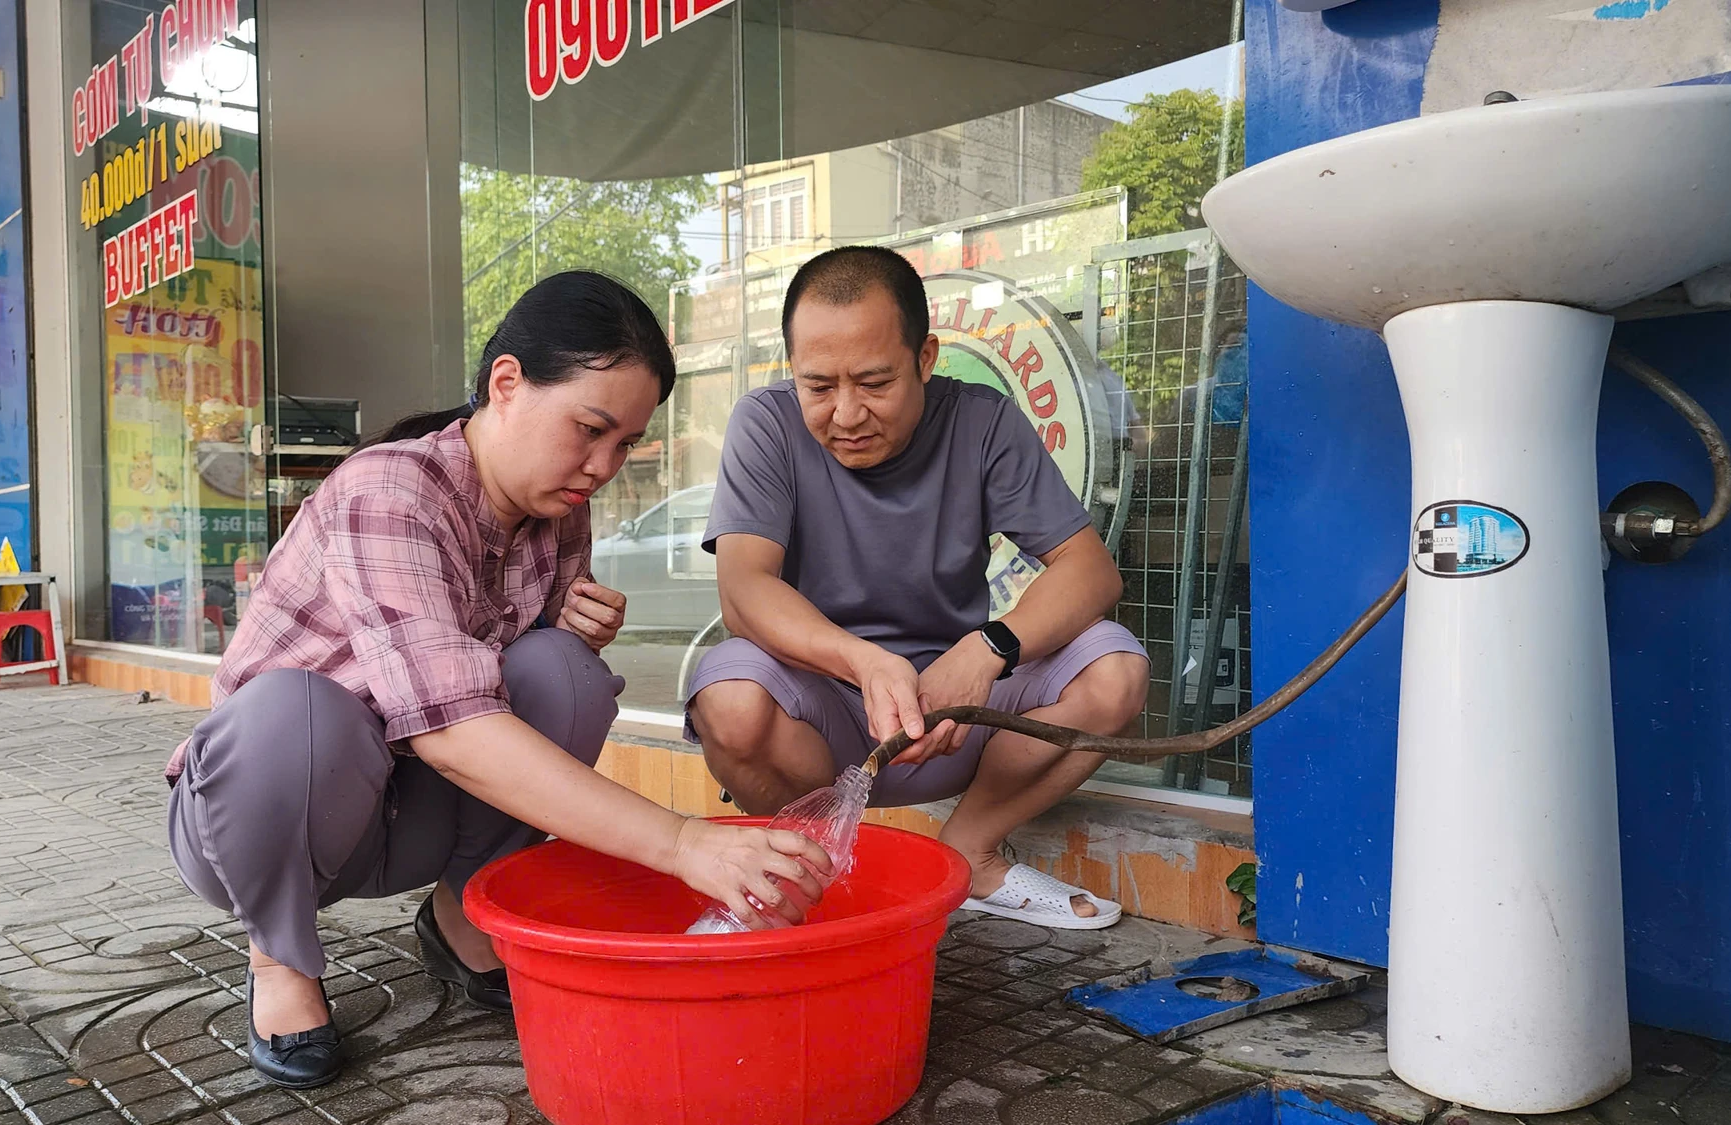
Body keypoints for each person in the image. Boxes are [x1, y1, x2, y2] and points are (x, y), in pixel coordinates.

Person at [165, 271, 831, 1090]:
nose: (603, 466)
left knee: (567, 674)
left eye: (624, 443)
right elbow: (448, 726)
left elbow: (513, 686)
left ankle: (463, 915)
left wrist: (560, 634)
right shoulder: (391, 488)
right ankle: (280, 957)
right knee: (302, 712)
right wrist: (684, 842)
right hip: (266, 816)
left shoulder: (559, 512)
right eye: (589, 428)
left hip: (402, 811)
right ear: (506, 383)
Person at [686, 246, 1150, 931]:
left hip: (955, 723)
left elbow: (1090, 570)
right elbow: (744, 588)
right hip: (822, 721)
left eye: (874, 381)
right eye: (819, 385)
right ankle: (796, 880)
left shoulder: (982, 423)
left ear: (926, 358)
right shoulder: (767, 423)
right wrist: (865, 663)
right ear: (792, 369)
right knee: (729, 697)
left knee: (1116, 668)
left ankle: (971, 856)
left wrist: (988, 647)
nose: (846, 413)